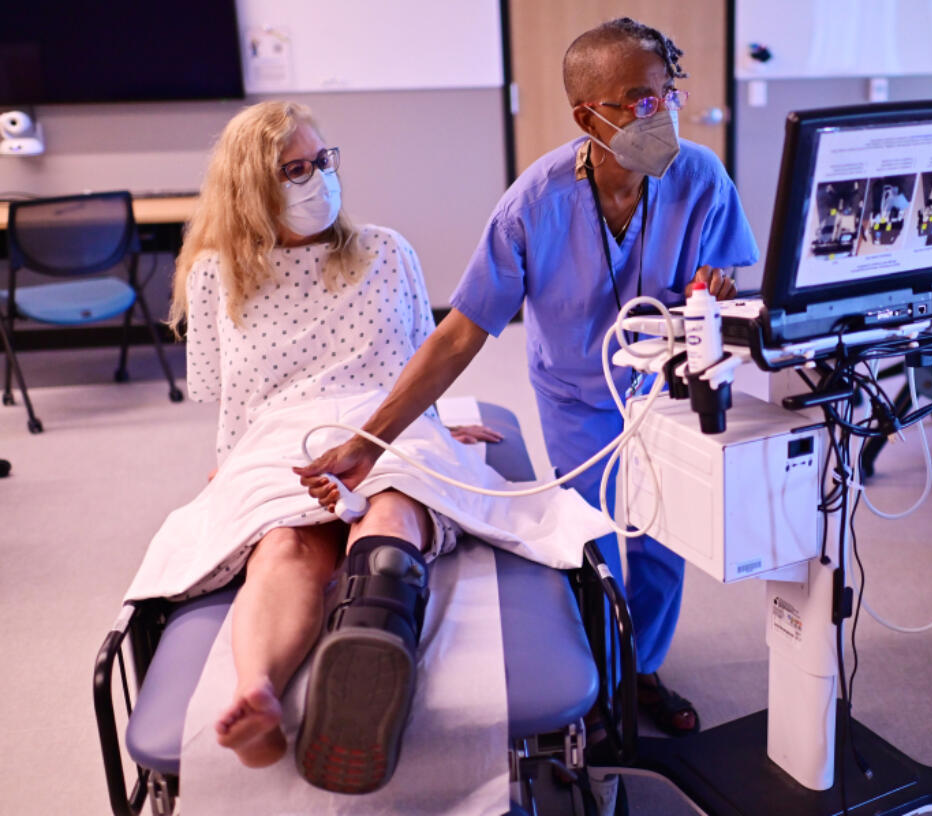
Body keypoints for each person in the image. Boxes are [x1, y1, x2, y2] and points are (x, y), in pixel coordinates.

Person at [298, 18, 758, 737]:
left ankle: (641, 671)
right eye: (638, 99)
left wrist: (718, 287)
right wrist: (370, 440)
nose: (660, 113)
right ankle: (599, 683)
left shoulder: (700, 178)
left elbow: (727, 275)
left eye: (667, 93)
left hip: (665, 389)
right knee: (598, 539)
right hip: (577, 393)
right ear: (588, 117)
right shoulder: (534, 204)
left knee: (667, 538)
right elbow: (459, 335)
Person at [149, 100, 603, 795]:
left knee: (391, 510)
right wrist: (233, 470)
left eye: (322, 161)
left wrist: (438, 428)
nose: (316, 180)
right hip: (281, 434)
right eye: (293, 169)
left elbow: (416, 363)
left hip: (384, 422)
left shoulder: (387, 251)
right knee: (284, 541)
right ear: (253, 187)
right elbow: (228, 396)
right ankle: (260, 697)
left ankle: (368, 654)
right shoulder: (216, 274)